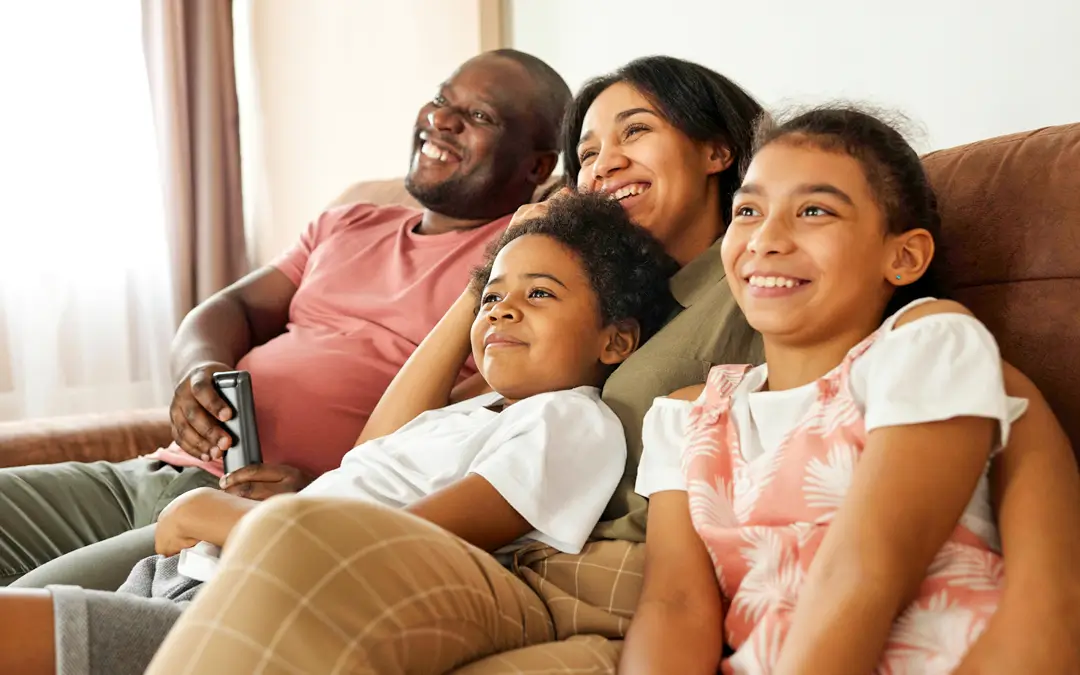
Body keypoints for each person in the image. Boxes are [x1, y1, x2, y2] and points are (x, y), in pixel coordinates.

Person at [138, 58, 1080, 674]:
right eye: (585, 152)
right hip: (610, 585)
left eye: (632, 133)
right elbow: (681, 600)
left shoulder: (904, 338)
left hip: (580, 573)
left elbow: (872, 561)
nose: (768, 239)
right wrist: (521, 256)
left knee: (283, 549)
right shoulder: (679, 392)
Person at [0, 192, 677, 675]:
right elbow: (370, 451)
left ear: (615, 338)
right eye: (493, 294)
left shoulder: (571, 420)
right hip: (205, 571)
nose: (501, 309)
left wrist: (224, 517)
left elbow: (407, 543)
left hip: (258, 604)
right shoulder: (475, 411)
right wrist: (479, 292)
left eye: (538, 295)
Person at [0, 49, 571, 592]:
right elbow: (232, 309)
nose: (441, 120)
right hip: (158, 473)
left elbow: (462, 427)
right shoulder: (349, 222)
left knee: (30, 614)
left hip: (257, 512)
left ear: (537, 165)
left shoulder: (514, 270)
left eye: (477, 115)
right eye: (441, 99)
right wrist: (198, 371)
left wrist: (332, 492)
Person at [625, 106, 1029, 673]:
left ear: (903, 256)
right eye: (748, 210)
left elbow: (866, 572)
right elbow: (674, 605)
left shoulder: (929, 345)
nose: (766, 239)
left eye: (814, 210)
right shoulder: (685, 415)